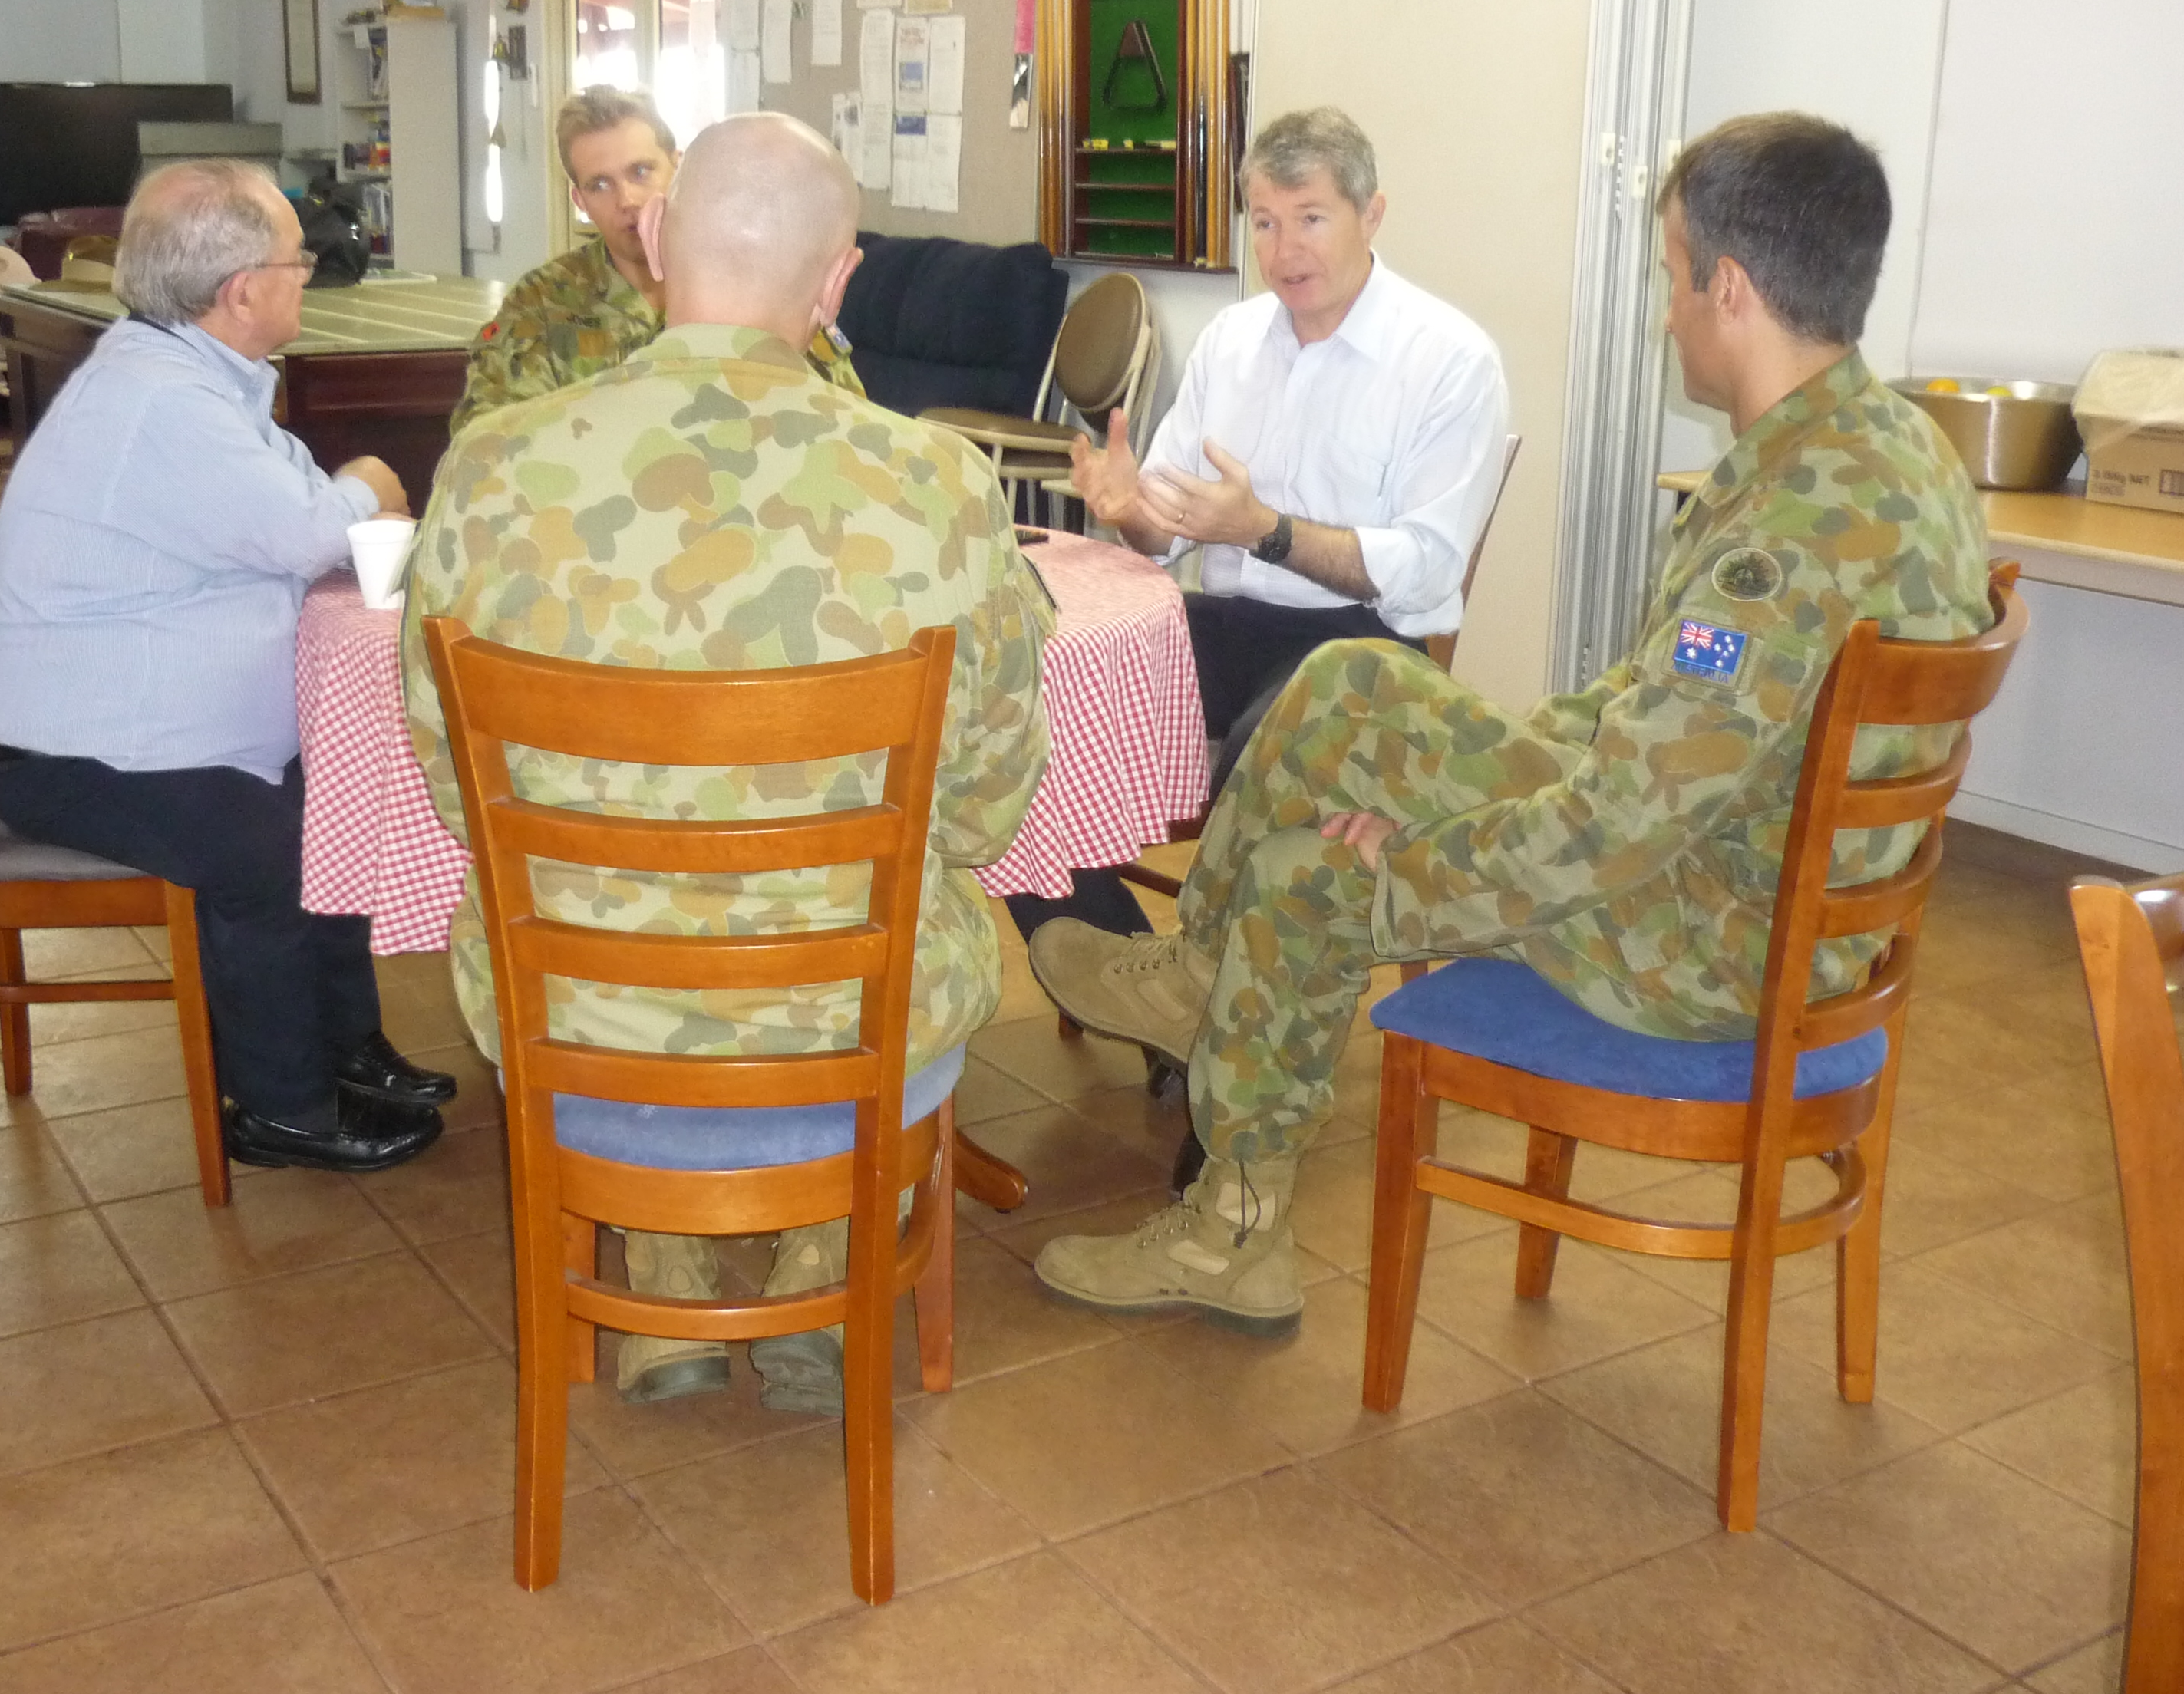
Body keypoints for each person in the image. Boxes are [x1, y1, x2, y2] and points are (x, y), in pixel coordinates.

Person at [1026, 112, 1992, 1334]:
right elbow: (1653, 718)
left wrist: (1418, 853)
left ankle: (1235, 1233)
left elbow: (1626, 823)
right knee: (1349, 687)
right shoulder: (1889, 449)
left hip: (1717, 934)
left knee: (1306, 872)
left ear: (1731, 289)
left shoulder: (1788, 531)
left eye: (1673, 278)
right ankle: (1201, 974)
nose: (1667, 313)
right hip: (1747, 866)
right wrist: (1455, 779)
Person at [401, 113, 1052, 1410]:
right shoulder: (940, 486)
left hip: (577, 1036)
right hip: (857, 1041)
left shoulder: (486, 472)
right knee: (932, 911)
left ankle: (670, 1296)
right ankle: (828, 1255)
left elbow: (452, 792)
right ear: (835, 281)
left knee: (570, 911)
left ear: (650, 231)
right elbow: (984, 811)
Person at [0, 159, 454, 1175]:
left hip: (144, 725)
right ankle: (282, 1110)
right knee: (261, 855)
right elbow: (297, 532)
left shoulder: (197, 378)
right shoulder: (160, 402)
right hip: (76, 752)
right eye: (297, 260)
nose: (307, 274)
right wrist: (367, 482)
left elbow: (278, 507)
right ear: (241, 291)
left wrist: (338, 498)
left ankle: (343, 1052)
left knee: (331, 802)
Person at [1005, 106, 1509, 944]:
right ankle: (1119, 967)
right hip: (1232, 621)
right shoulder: (1232, 338)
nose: (1284, 252)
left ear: (1371, 214)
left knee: (1263, 756)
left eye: (1311, 219)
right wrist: (1133, 510)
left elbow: (1426, 569)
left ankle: (1200, 992)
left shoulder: (1449, 359)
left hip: (1368, 647)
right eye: (1266, 224)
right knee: (1019, 708)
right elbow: (1167, 534)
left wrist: (1265, 530)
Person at [449, 86, 866, 435]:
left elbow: (847, 415)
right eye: (600, 184)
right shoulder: (542, 305)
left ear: (677, 168)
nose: (626, 200)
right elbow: (486, 442)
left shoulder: (755, 282)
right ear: (579, 200)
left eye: (641, 172)